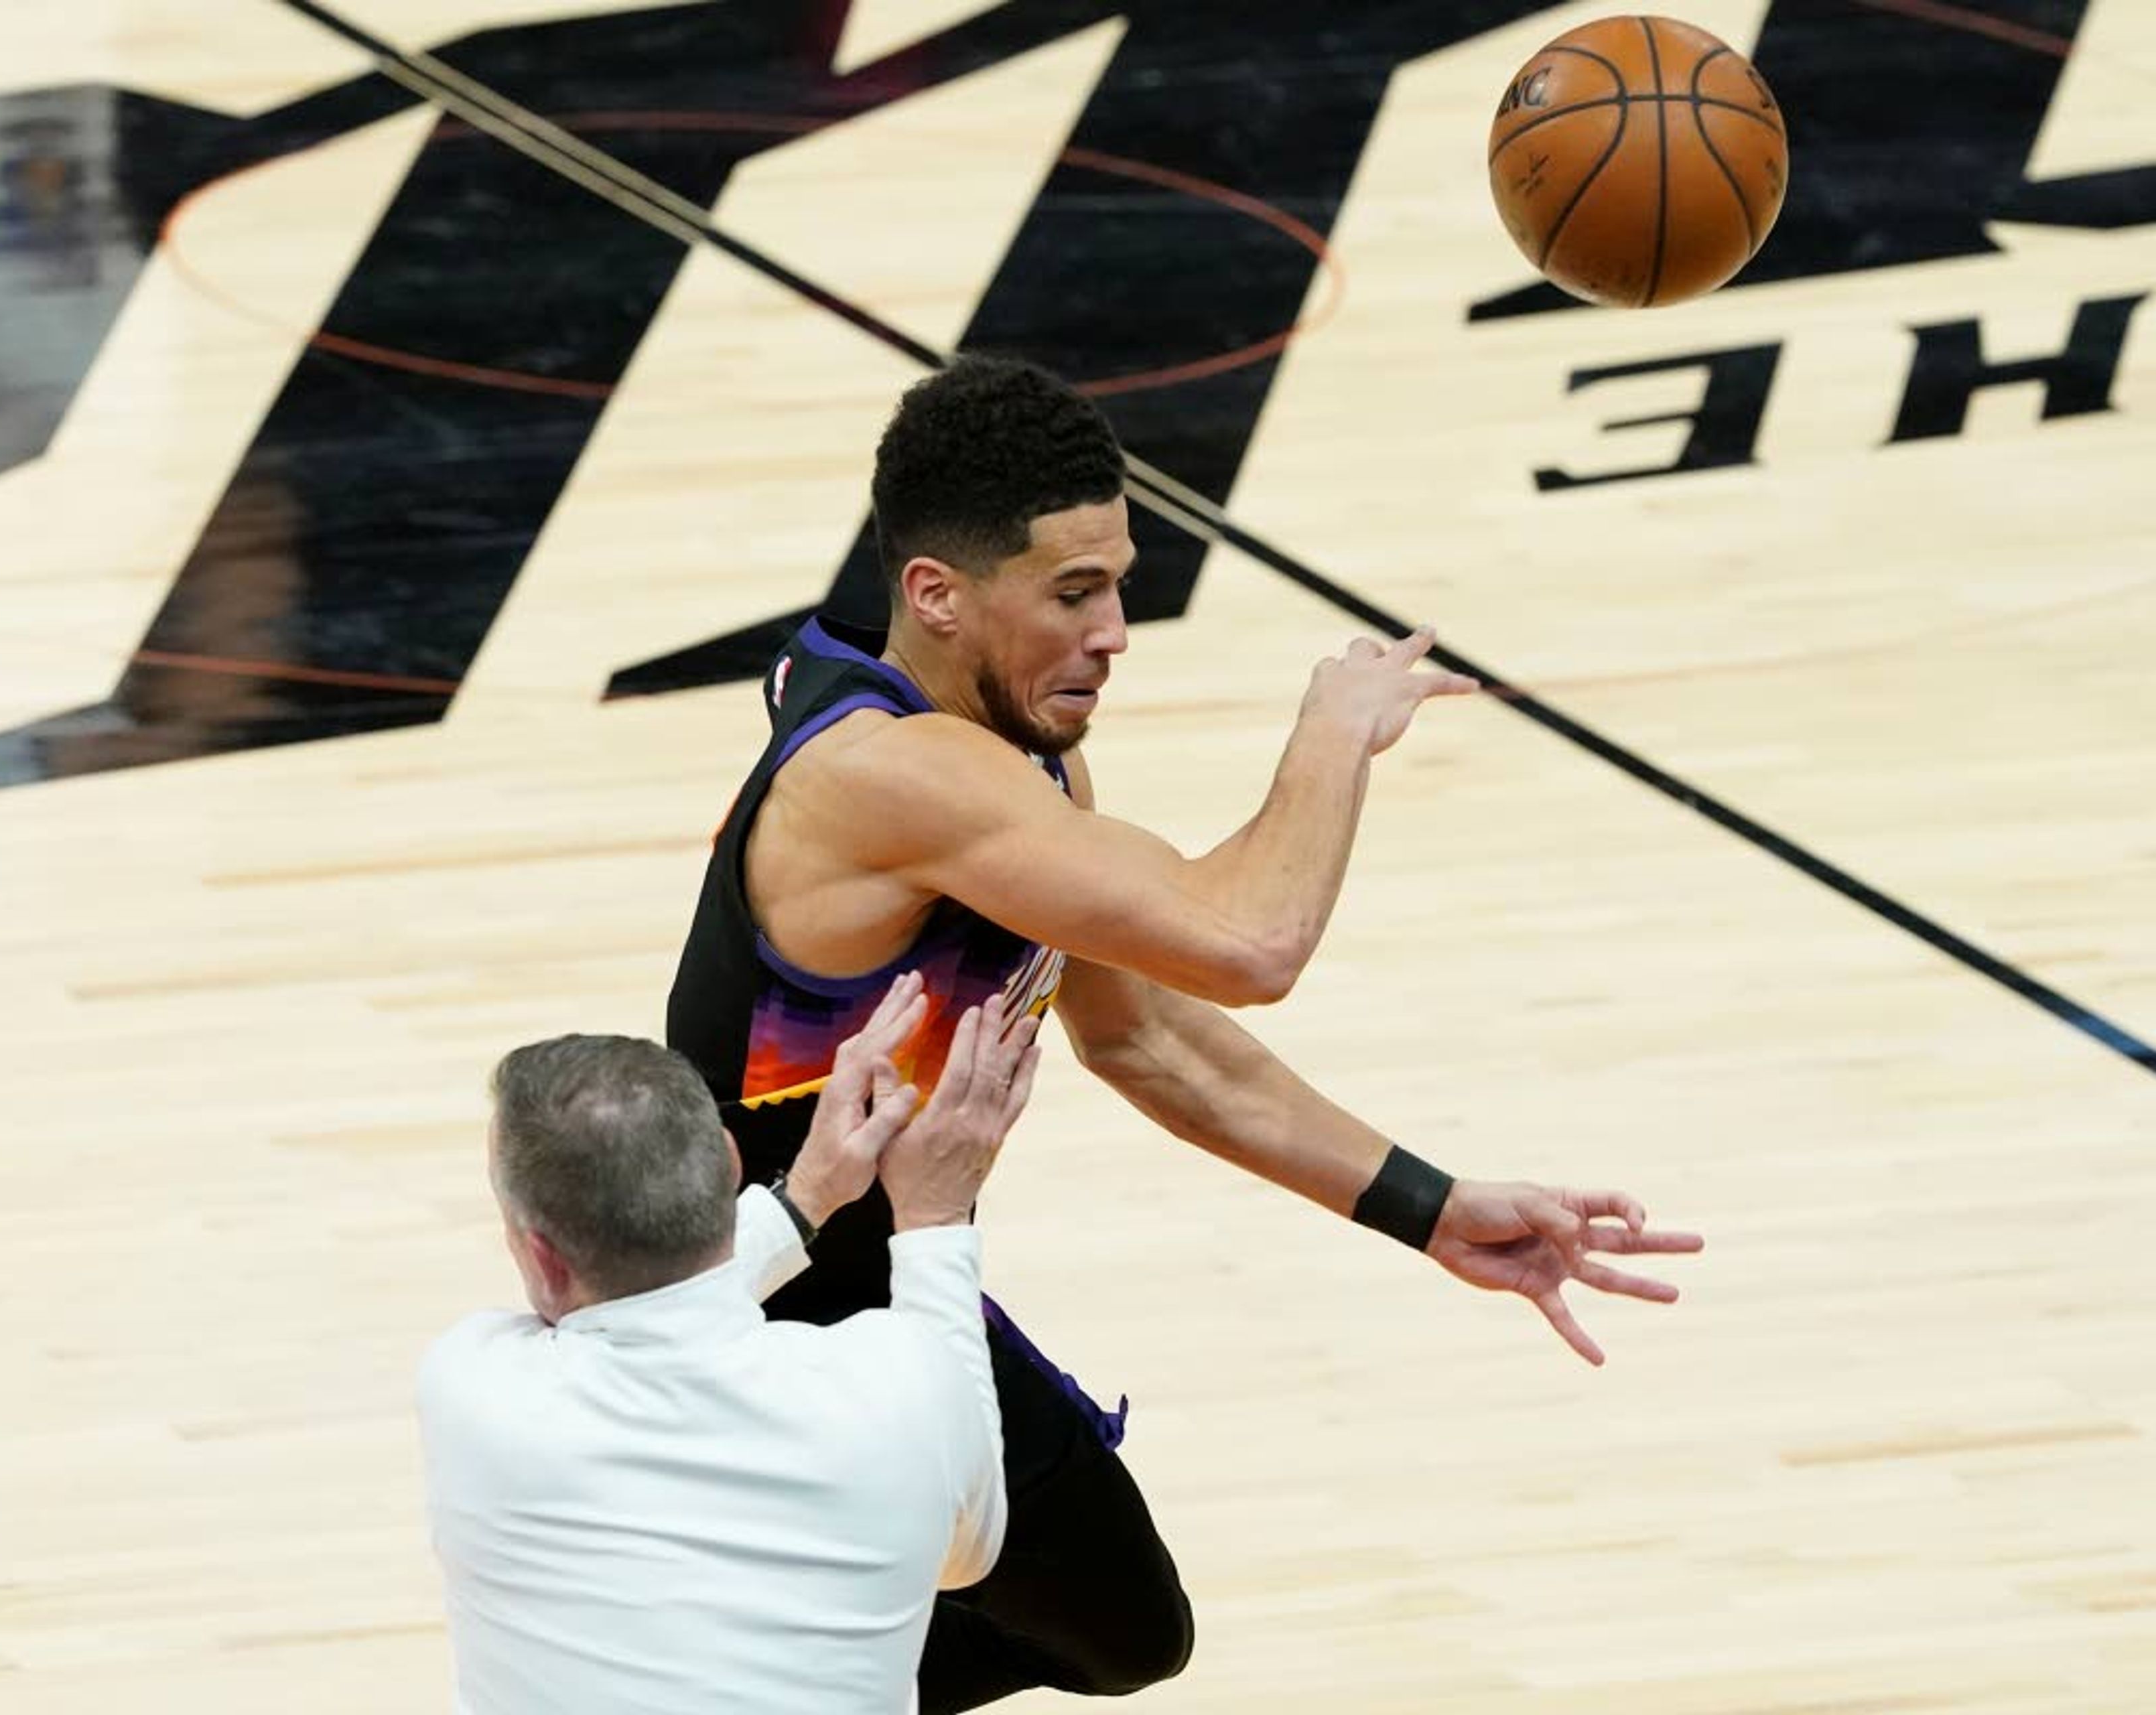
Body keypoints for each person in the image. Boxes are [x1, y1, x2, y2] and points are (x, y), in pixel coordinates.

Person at [666, 353, 1704, 1710]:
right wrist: (1334, 732)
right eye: (1073, 591)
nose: (1114, 631)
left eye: (1121, 583)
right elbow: (1247, 940)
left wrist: (1427, 1204)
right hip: (760, 1304)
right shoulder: (887, 775)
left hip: (858, 1276)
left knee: (1118, 1629)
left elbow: (1152, 1036)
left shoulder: (1015, 766)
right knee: (1106, 1617)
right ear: (937, 593)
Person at [418, 972, 1043, 1715]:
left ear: (541, 1253)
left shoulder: (476, 1388)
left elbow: (654, 1309)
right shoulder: (896, 1383)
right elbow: (970, 1551)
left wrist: (808, 1196)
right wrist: (933, 1218)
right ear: (731, 1161)